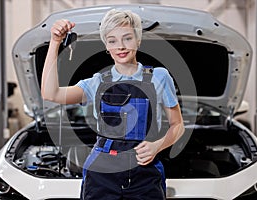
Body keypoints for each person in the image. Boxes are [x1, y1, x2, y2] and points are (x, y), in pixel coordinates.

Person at [41, 8, 185, 200]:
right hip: (102, 172)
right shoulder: (97, 82)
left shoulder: (159, 76)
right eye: (112, 41)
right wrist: (55, 42)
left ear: (138, 40)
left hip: (145, 172)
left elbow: (178, 125)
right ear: (106, 46)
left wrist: (156, 146)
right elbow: (51, 93)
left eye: (127, 38)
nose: (121, 46)